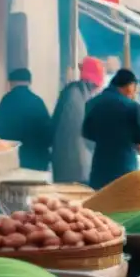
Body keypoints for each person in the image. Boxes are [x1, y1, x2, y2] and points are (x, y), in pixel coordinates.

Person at [82, 69, 140, 190]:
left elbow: (87, 132)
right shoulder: (133, 107)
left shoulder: (92, 103)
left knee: (99, 204)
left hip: (99, 169)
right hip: (124, 169)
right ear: (130, 86)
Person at [51, 56, 104, 184]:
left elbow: (53, 126)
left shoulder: (70, 92)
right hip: (81, 169)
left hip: (64, 167)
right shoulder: (85, 99)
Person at [0, 68, 52, 171]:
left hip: (12, 161)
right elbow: (48, 132)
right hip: (37, 159)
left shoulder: (6, 101)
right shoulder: (37, 102)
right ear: (29, 82)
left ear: (11, 83)